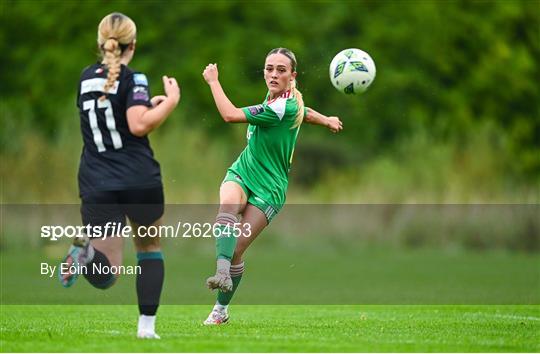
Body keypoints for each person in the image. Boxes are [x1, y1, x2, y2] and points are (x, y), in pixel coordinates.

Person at [58, 12, 180, 339]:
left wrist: (146, 104)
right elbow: (138, 124)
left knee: (107, 273)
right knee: (149, 248)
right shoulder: (134, 79)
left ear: (101, 43)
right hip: (138, 178)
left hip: (97, 180)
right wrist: (170, 102)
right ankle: (146, 329)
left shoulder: (85, 78)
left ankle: (84, 255)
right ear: (133, 45)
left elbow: (115, 112)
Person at [201, 48, 342, 324]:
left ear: (292, 76)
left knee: (237, 248)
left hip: (270, 189)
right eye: (269, 68)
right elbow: (306, 111)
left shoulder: (282, 106)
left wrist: (213, 81)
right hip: (244, 171)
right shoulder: (283, 99)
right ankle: (221, 273)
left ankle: (220, 310)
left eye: (281, 70)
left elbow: (229, 115)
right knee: (228, 205)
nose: (274, 74)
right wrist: (326, 120)